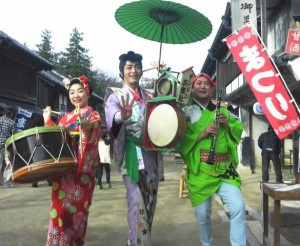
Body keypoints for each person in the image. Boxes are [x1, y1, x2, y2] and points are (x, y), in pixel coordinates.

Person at [177, 73, 246, 246]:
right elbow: (181, 140)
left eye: (206, 84)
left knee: (238, 208)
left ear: (212, 88)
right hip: (200, 171)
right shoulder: (184, 113)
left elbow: (237, 130)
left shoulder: (221, 110)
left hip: (224, 170)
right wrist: (203, 133)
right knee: (202, 215)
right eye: (198, 83)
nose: (202, 86)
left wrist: (226, 125)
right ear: (192, 88)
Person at [104, 51, 159, 246]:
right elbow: (112, 118)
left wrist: (163, 77)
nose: (133, 70)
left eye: (137, 66)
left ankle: (144, 239)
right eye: (128, 67)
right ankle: (135, 242)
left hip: (151, 154)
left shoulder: (150, 95)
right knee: (136, 200)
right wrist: (122, 116)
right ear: (121, 72)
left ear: (142, 70)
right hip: (132, 152)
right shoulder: (115, 94)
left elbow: (167, 105)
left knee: (150, 198)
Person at [43, 76, 101, 246]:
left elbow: (94, 130)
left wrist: (87, 127)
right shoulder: (63, 119)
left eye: (80, 91)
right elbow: (53, 141)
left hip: (81, 176)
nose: (76, 95)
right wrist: (47, 119)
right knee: (59, 213)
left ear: (87, 93)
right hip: (62, 176)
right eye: (72, 92)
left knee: (77, 218)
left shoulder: (93, 114)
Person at [0, 108, 16, 187]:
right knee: (8, 163)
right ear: (11, 114)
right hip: (6, 145)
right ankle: (7, 182)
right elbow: (14, 136)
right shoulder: (11, 122)